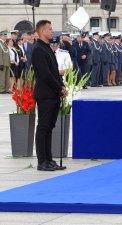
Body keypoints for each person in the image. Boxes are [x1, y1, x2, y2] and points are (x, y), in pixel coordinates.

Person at [31, 20, 68, 171]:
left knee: (49, 127)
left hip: (52, 93)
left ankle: (49, 159)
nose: (52, 32)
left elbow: (54, 71)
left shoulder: (47, 48)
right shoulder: (38, 49)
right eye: (50, 29)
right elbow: (45, 75)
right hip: (45, 94)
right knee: (43, 127)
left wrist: (62, 86)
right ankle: (42, 161)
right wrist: (59, 88)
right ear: (42, 31)